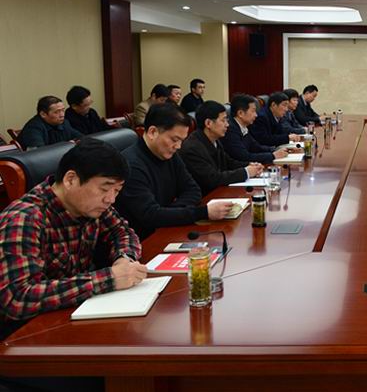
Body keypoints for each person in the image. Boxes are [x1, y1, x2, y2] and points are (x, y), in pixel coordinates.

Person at [0, 139, 145, 336]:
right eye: (104, 189)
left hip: (77, 315)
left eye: (117, 191)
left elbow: (122, 231)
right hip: (30, 335)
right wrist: (108, 279)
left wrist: (124, 258)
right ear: (70, 180)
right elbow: (17, 298)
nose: (110, 199)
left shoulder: (93, 206)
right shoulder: (24, 219)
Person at [116, 104, 233, 241]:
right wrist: (203, 212)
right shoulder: (130, 165)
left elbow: (193, 190)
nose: (178, 146)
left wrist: (168, 213)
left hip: (168, 229)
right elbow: (150, 216)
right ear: (153, 132)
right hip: (143, 241)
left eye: (182, 141)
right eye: (174, 139)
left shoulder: (169, 154)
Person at [178, 101, 263, 195]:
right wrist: (246, 172)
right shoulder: (192, 148)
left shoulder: (214, 139)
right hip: (205, 197)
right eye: (223, 120)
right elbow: (212, 179)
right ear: (208, 123)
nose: (227, 124)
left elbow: (229, 162)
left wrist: (250, 165)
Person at [222, 94, 288, 164]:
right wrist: (272, 156)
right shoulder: (230, 130)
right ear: (240, 113)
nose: (256, 115)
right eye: (253, 111)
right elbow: (244, 157)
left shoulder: (243, 126)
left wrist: (275, 150)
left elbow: (255, 147)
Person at [18, 96, 83, 150]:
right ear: (43, 114)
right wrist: (67, 146)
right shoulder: (33, 128)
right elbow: (38, 153)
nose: (62, 115)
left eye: (63, 110)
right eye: (57, 112)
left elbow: (81, 137)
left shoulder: (64, 123)